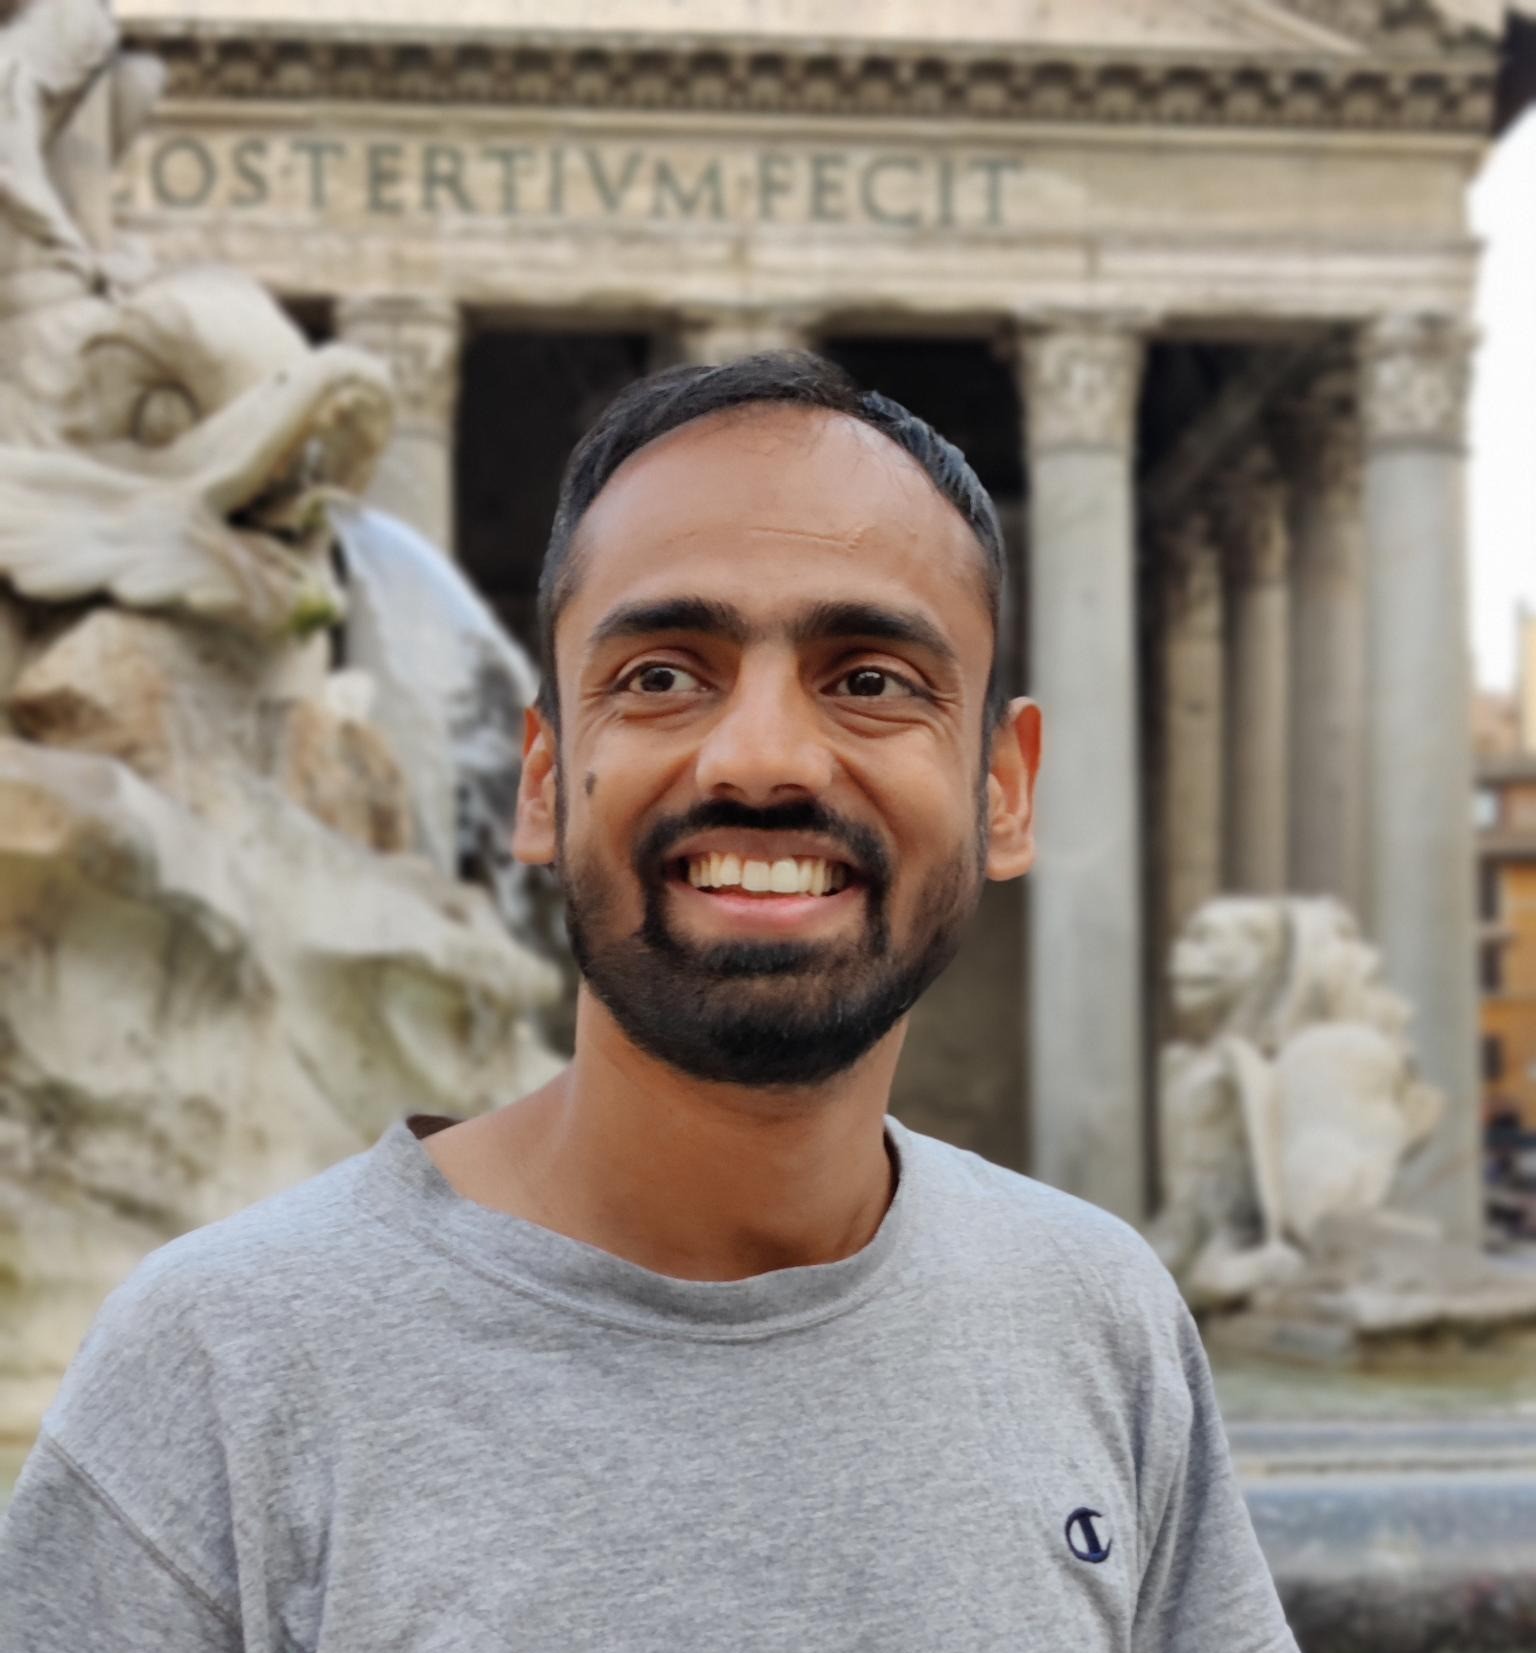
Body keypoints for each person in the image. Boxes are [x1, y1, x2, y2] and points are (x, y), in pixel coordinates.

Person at [0, 352, 1298, 1652]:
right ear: (543, 784)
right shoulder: (214, 1362)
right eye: (665, 676)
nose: (765, 760)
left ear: (1004, 790)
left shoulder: (1100, 1311)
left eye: (869, 679)